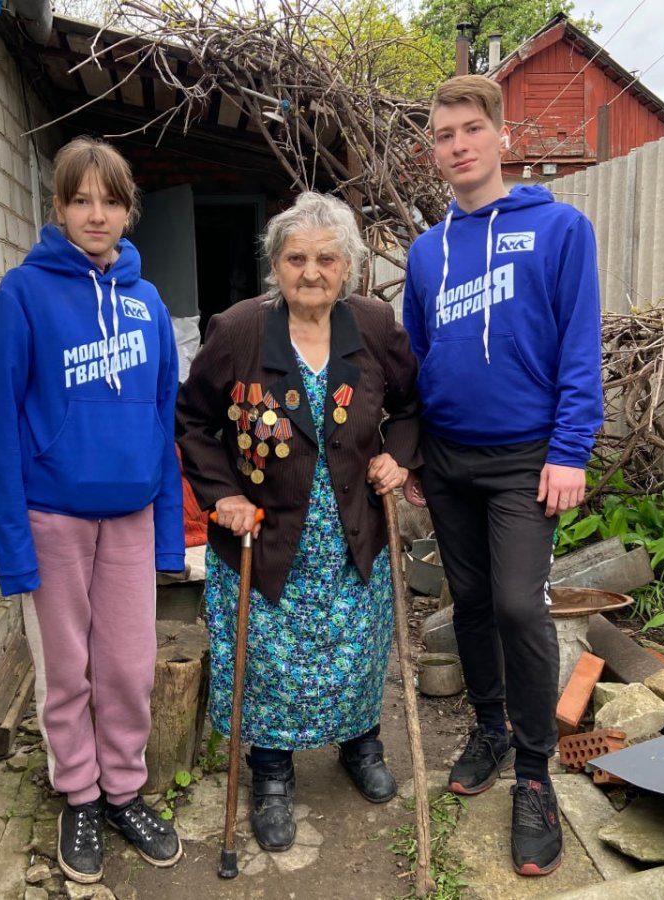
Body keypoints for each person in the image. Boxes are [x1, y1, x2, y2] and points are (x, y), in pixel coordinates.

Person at [401, 75, 604, 877]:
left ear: (500, 136)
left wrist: (571, 449)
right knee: (474, 601)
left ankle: (533, 771)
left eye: (470, 129)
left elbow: (578, 349)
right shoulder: (427, 251)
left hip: (527, 456)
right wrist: (413, 448)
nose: (457, 145)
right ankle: (489, 726)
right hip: (448, 459)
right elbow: (415, 359)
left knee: (522, 605)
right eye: (444, 134)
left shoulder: (559, 229)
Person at [177, 191, 420, 852]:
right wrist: (221, 492)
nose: (310, 272)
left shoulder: (372, 325)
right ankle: (273, 773)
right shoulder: (239, 331)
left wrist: (397, 462)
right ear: (274, 266)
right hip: (265, 534)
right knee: (269, 668)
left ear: (348, 267)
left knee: (358, 656)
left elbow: (409, 406)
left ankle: (360, 744)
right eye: (295, 259)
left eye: (325, 259)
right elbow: (194, 421)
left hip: (350, 535)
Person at [0, 137, 185, 884]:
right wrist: (13, 548)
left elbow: (163, 420)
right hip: (52, 517)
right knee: (66, 670)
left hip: (129, 517)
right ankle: (79, 797)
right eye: (80, 199)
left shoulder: (149, 303)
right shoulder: (22, 296)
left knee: (128, 668)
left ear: (129, 211)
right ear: (59, 207)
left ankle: (125, 791)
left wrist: (168, 533)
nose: (96, 214)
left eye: (110, 200)